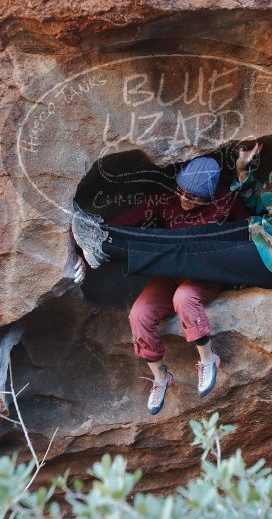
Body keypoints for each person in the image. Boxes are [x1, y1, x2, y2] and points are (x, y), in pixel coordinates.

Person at [72, 119, 272, 295]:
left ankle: (108, 247)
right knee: (194, 238)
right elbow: (262, 203)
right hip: (263, 233)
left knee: (192, 255)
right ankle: (104, 240)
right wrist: (243, 173)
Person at [107, 156, 250, 415]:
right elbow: (127, 220)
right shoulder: (167, 201)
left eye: (194, 197)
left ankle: (208, 360)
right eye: (181, 191)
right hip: (171, 272)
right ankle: (161, 377)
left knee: (184, 298)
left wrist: (242, 273)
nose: (185, 199)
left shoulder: (225, 202)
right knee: (139, 314)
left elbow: (248, 232)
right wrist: (99, 237)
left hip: (207, 274)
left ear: (209, 196)